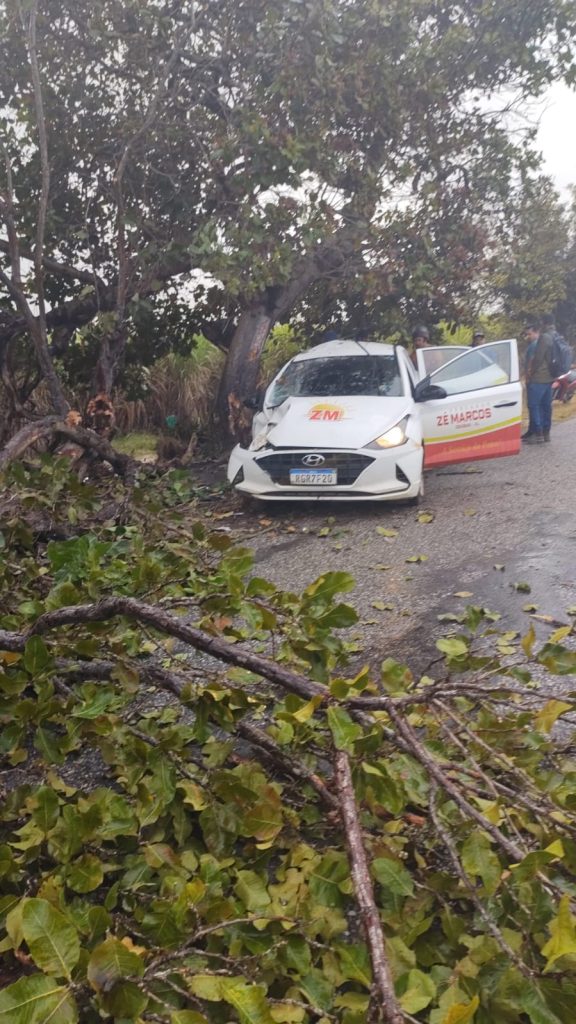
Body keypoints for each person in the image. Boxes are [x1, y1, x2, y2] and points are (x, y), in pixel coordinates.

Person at [524, 320, 554, 444]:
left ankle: (539, 433)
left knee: (534, 406)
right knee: (546, 406)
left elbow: (532, 362)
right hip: (548, 379)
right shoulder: (548, 341)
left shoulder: (534, 345)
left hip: (537, 379)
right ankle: (546, 433)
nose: (527, 337)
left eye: (529, 334)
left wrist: (528, 376)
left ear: (537, 332)